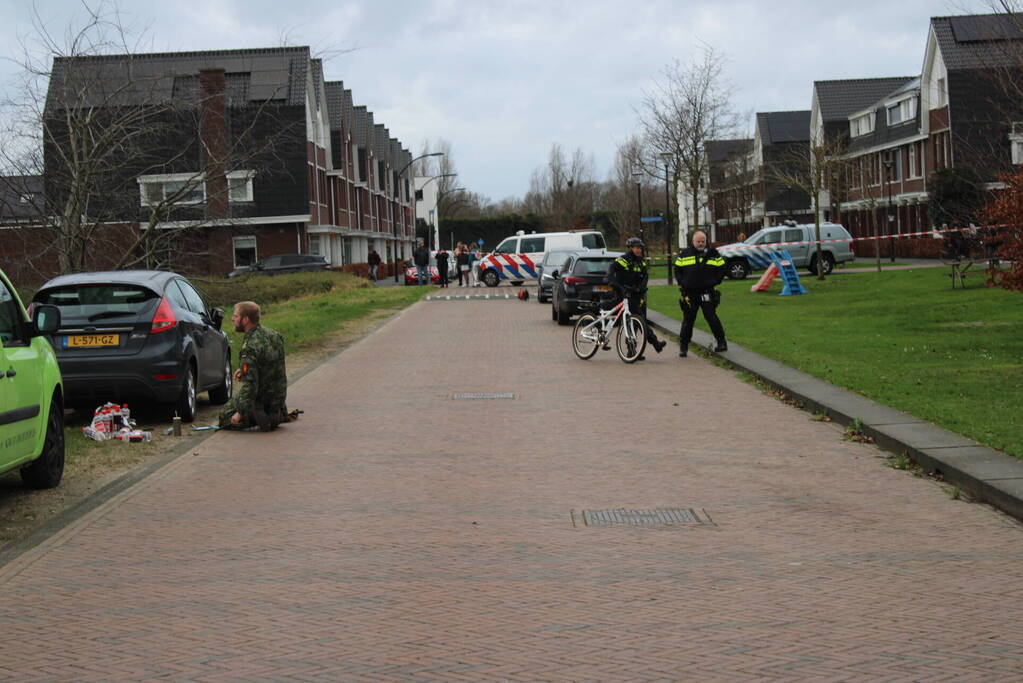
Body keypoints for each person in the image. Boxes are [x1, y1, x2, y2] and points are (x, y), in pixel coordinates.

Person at [218, 301, 289, 431]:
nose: (232, 319)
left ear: (245, 320)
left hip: (263, 398)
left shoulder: (250, 346)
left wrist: (240, 413)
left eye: (236, 316)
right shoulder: (273, 335)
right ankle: (277, 412)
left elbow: (250, 385)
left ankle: (260, 415)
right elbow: (270, 364)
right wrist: (243, 369)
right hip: (277, 398)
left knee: (224, 418)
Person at [607, 236, 667, 360]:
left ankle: (632, 351)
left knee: (635, 324)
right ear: (630, 248)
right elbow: (610, 272)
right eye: (637, 248)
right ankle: (654, 344)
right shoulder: (622, 260)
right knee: (638, 322)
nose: (639, 250)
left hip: (635, 296)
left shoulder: (641, 262)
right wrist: (616, 285)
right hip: (622, 295)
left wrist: (639, 288)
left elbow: (645, 277)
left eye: (640, 248)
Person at [674, 230, 727, 357]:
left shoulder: (713, 254)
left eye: (703, 241)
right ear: (693, 241)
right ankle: (683, 347)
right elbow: (677, 270)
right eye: (698, 241)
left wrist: (715, 281)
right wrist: (683, 283)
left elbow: (722, 268)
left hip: (706, 292)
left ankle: (721, 342)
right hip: (690, 293)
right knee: (688, 320)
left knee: (712, 318)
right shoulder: (685, 254)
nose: (700, 243)